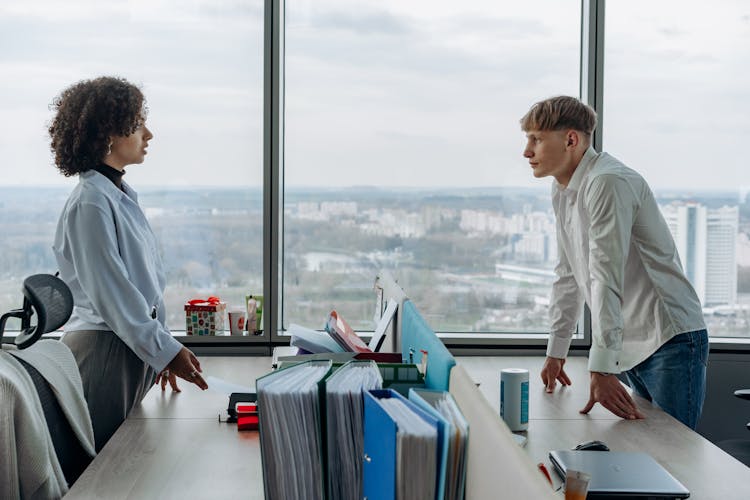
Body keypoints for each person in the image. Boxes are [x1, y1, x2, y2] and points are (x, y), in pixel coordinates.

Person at [520, 96, 709, 429]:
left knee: (674, 457)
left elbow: (605, 276)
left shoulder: (607, 181)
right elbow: (568, 274)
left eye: (536, 138)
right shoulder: (562, 191)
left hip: (667, 339)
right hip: (630, 342)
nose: (527, 151)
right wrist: (557, 349)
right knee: (644, 453)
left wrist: (602, 368)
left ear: (571, 140)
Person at [49, 76, 208, 451]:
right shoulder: (90, 202)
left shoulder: (116, 194)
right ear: (108, 133)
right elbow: (115, 296)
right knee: (107, 474)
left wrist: (160, 353)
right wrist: (165, 351)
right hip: (106, 353)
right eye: (137, 124)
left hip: (127, 348)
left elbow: (143, 288)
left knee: (127, 465)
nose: (148, 134)